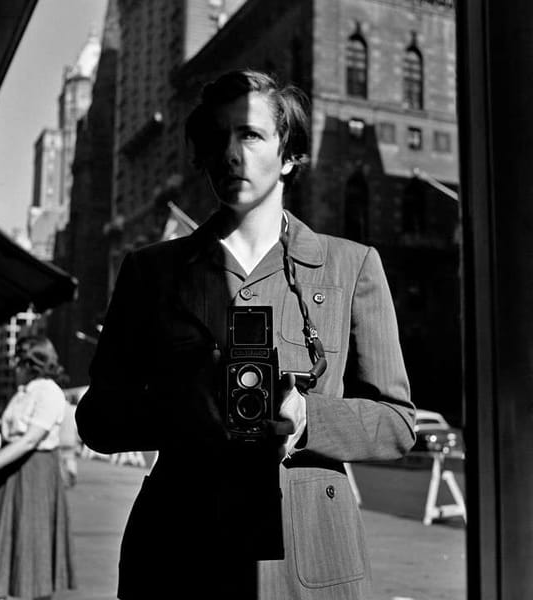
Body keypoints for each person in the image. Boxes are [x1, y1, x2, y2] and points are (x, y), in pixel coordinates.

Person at [75, 69, 415, 600]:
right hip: (179, 549)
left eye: (250, 134)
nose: (231, 153)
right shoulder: (151, 272)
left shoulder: (351, 267)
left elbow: (397, 422)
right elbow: (96, 417)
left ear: (288, 155)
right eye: (217, 138)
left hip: (309, 554)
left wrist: (308, 417)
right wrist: (181, 406)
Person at [0, 336, 76, 599]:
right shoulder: (25, 391)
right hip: (13, 472)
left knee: (33, 546)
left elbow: (30, 439)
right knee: (9, 543)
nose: (15, 368)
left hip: (35, 473)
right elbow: (12, 435)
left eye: (18, 362)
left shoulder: (49, 391)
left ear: (31, 363)